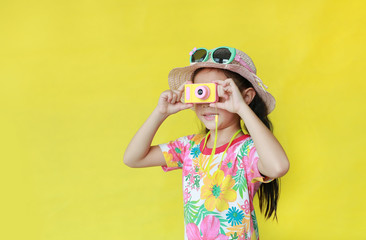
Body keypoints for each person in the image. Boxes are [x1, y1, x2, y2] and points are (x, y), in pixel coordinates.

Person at [124, 46, 290, 240]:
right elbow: (133, 158)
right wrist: (160, 113)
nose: (208, 103)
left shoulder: (247, 150)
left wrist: (241, 108)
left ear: (245, 96)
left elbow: (278, 167)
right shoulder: (189, 147)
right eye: (200, 92)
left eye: (217, 92)